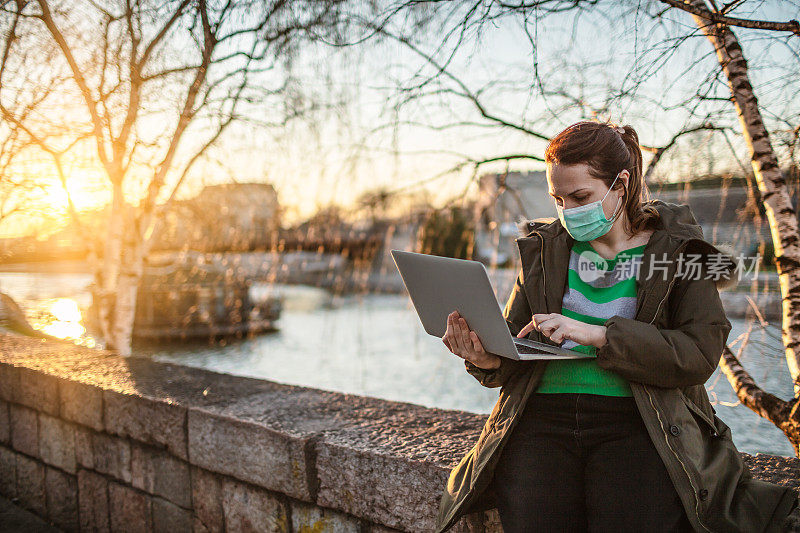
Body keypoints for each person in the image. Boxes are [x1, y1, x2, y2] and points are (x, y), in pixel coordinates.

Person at [436, 120, 799, 533]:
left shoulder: (679, 250)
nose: (569, 211)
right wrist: (483, 356)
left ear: (621, 184)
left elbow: (699, 354)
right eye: (559, 199)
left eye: (581, 197)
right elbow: (515, 349)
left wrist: (602, 336)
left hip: (639, 425)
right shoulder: (545, 250)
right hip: (539, 425)